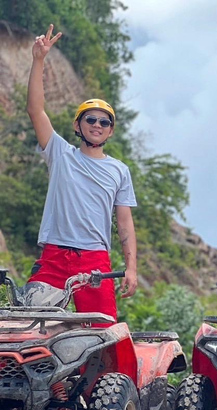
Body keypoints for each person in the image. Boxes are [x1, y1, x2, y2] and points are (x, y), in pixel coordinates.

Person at [25, 24, 138, 322]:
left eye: (105, 122)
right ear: (78, 125)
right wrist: (39, 60)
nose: (97, 125)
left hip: (95, 260)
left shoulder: (119, 170)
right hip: (54, 255)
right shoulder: (60, 154)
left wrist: (131, 268)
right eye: (91, 119)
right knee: (33, 326)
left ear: (110, 131)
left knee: (102, 332)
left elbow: (124, 222)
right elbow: (36, 111)